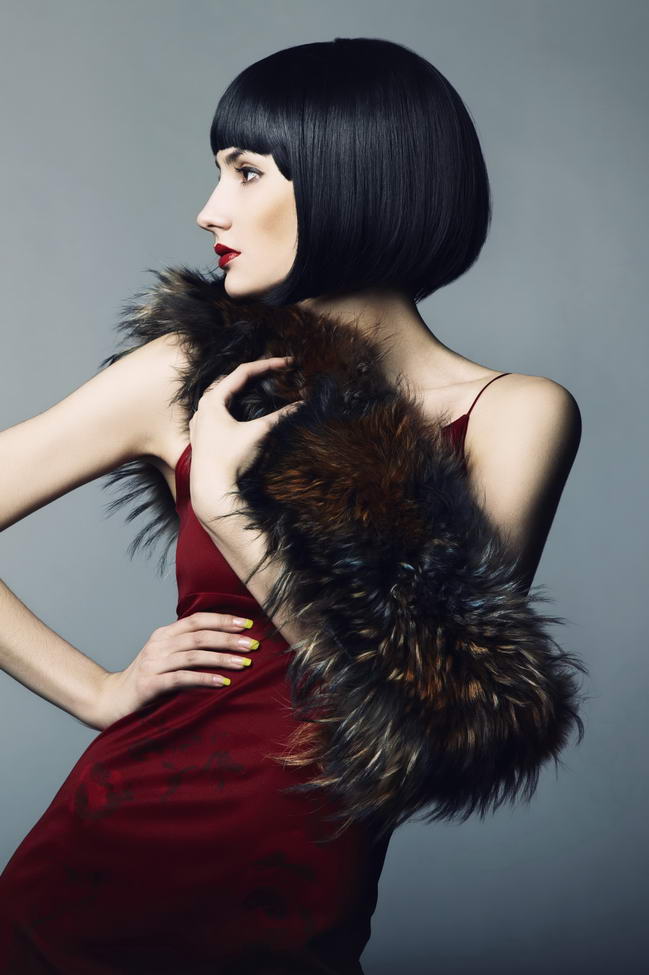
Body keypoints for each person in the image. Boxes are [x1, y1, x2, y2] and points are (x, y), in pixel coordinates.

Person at [0, 36, 581, 974]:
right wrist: (98, 692)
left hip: (299, 891)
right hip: (101, 866)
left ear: (355, 179)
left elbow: (433, 705)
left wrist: (230, 509)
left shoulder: (515, 413)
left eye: (245, 172)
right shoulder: (185, 373)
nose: (209, 209)